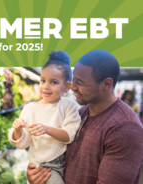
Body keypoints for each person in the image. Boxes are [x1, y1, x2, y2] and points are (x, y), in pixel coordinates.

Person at [27, 49, 143, 184]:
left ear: (106, 84)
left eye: (80, 82)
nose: (72, 87)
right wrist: (40, 176)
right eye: (73, 79)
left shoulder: (125, 127)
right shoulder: (79, 113)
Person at [8, 50, 81, 184]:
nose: (46, 87)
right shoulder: (30, 109)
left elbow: (70, 136)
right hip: (44, 166)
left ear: (67, 87)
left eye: (53, 82)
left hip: (67, 162)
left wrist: (47, 129)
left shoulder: (69, 106)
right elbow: (23, 143)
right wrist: (18, 130)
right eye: (43, 80)